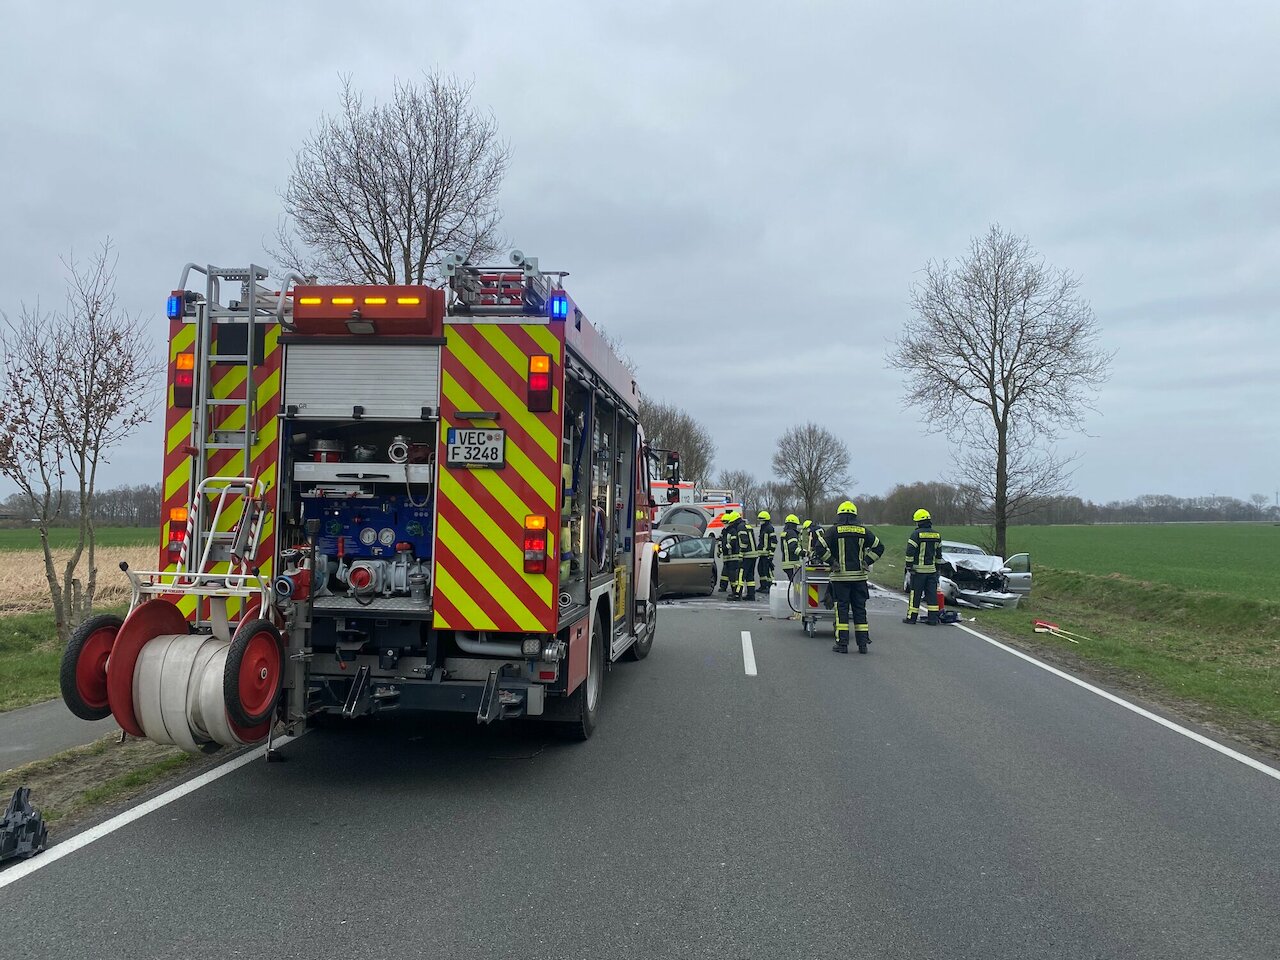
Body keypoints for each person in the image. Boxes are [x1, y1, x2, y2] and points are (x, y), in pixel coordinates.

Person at [813, 501, 884, 654]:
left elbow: (819, 547)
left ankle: (842, 644)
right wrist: (867, 561)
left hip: (841, 579)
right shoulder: (863, 531)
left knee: (842, 610)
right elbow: (879, 547)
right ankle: (863, 644)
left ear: (840, 515)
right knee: (860, 610)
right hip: (859, 578)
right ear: (854, 515)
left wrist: (832, 561)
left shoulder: (834, 531)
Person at [903, 508, 943, 625]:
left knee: (915, 594)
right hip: (932, 571)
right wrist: (937, 568)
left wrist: (909, 566)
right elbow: (939, 554)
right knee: (932, 595)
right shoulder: (937, 535)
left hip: (918, 571)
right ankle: (933, 619)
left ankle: (912, 618)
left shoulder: (916, 534)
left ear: (919, 522)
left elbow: (910, 552)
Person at [734, 510, 760, 600]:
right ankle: (751, 595)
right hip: (753, 554)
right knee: (750, 576)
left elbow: (744, 542)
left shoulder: (740, 527)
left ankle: (737, 594)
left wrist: (741, 554)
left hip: (747, 555)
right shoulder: (746, 525)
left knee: (741, 575)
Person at [719, 510, 743, 601]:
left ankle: (735, 592)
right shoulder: (724, 531)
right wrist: (719, 548)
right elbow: (721, 540)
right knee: (727, 574)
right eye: (723, 522)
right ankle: (728, 588)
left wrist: (723, 549)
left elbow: (732, 543)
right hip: (726, 557)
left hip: (733, 557)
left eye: (725, 522)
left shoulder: (733, 531)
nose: (724, 524)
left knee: (733, 575)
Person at [755, 510, 778, 594]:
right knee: (760, 569)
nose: (760, 521)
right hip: (762, 554)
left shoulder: (769, 528)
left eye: (761, 520)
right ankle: (763, 586)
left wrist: (771, 553)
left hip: (767, 553)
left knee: (767, 570)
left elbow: (774, 541)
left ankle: (771, 586)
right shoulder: (763, 528)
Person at [780, 514, 803, 582]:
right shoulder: (792, 533)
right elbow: (793, 547)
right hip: (792, 563)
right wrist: (803, 553)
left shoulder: (785, 532)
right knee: (796, 583)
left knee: (793, 582)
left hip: (786, 562)